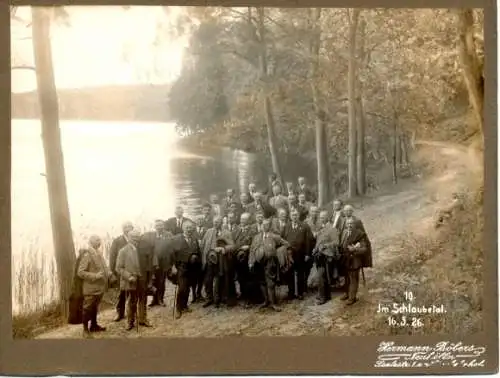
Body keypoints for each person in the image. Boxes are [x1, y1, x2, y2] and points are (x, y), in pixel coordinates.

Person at [248, 218, 289, 311]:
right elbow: (251, 250)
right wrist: (250, 262)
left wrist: (279, 252)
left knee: (270, 283)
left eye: (267, 225)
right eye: (263, 224)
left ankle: (273, 303)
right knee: (262, 282)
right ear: (261, 226)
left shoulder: (274, 236)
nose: (265, 226)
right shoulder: (256, 237)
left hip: (270, 263)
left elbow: (286, 244)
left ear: (269, 226)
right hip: (258, 263)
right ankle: (266, 301)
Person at [165, 221, 202, 319]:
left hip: (192, 268)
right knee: (182, 288)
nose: (189, 230)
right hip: (181, 267)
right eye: (187, 228)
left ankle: (185, 306)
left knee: (188, 287)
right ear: (183, 228)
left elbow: (198, 251)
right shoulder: (176, 239)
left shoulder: (194, 239)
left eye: (191, 228)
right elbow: (170, 253)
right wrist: (172, 266)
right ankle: (178, 308)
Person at [77, 235, 112, 337]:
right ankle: (85, 330)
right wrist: (95, 276)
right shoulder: (87, 255)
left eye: (100, 240)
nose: (99, 242)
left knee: (95, 308)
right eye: (97, 240)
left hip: (99, 287)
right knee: (87, 308)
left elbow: (104, 267)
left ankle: (94, 325)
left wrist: (109, 273)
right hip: (90, 288)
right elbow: (80, 272)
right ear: (91, 242)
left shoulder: (99, 253)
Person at [200, 216, 235, 308]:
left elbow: (232, 246)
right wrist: (204, 259)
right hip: (209, 260)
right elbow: (203, 246)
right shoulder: (208, 232)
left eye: (218, 222)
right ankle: (209, 299)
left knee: (219, 280)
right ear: (212, 222)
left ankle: (219, 299)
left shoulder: (227, 233)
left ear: (222, 223)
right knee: (208, 280)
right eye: (215, 222)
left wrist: (224, 248)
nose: (216, 223)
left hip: (221, 261)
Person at [339, 218, 372, 305]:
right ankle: (347, 293)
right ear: (345, 224)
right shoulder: (344, 232)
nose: (349, 225)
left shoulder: (359, 234)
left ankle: (352, 298)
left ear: (354, 224)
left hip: (354, 260)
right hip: (345, 259)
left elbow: (364, 249)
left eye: (351, 224)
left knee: (353, 279)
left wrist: (354, 249)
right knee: (346, 278)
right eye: (348, 224)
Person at [116, 229, 143, 331]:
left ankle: (137, 319)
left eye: (137, 237)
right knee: (130, 301)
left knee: (136, 300)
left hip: (139, 280)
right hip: (129, 281)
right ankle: (129, 322)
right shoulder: (123, 251)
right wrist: (129, 276)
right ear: (129, 238)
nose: (136, 239)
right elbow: (118, 268)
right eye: (134, 237)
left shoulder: (139, 249)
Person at [282, 208, 312, 300]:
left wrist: (307, 254)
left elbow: (308, 241)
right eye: (292, 215)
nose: (294, 217)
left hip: (300, 254)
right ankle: (291, 293)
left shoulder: (304, 226)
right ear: (290, 216)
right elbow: (282, 238)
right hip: (289, 254)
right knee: (289, 273)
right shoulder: (286, 226)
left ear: (298, 216)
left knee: (300, 273)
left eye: (296, 215)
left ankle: (300, 292)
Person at [108, 221, 134, 322]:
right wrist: (113, 272)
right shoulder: (117, 241)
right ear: (123, 229)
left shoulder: (135, 239)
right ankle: (120, 312)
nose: (128, 229)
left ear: (132, 228)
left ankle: (131, 313)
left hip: (132, 272)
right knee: (121, 292)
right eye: (126, 227)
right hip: (121, 272)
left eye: (130, 227)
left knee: (132, 293)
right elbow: (112, 257)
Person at [232, 212, 258, 304]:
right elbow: (232, 241)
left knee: (249, 277)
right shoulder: (236, 229)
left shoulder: (253, 230)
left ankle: (250, 298)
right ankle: (243, 294)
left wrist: (249, 246)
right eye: (241, 219)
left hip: (248, 257)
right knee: (240, 277)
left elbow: (256, 243)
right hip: (238, 257)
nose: (242, 221)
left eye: (244, 219)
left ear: (249, 220)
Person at [145, 220, 173, 307]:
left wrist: (171, 263)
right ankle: (154, 299)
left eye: (160, 225)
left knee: (161, 281)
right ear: (154, 227)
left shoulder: (168, 234)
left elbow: (171, 248)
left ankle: (160, 299)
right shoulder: (151, 236)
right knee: (153, 281)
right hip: (153, 262)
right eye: (157, 226)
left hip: (164, 262)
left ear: (163, 226)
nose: (159, 227)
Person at [312, 223, 340, 305]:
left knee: (321, 277)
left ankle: (322, 298)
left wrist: (326, 245)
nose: (322, 219)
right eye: (321, 218)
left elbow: (336, 242)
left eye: (323, 217)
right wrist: (315, 249)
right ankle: (327, 295)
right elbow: (318, 243)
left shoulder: (332, 229)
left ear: (327, 219)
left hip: (328, 257)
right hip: (319, 257)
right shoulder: (320, 230)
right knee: (323, 276)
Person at [193, 215, 209, 301]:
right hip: (195, 256)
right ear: (195, 221)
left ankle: (199, 293)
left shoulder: (207, 230)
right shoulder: (192, 230)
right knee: (194, 276)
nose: (200, 221)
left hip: (203, 255)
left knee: (202, 276)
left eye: (201, 220)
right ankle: (194, 295)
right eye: (198, 219)